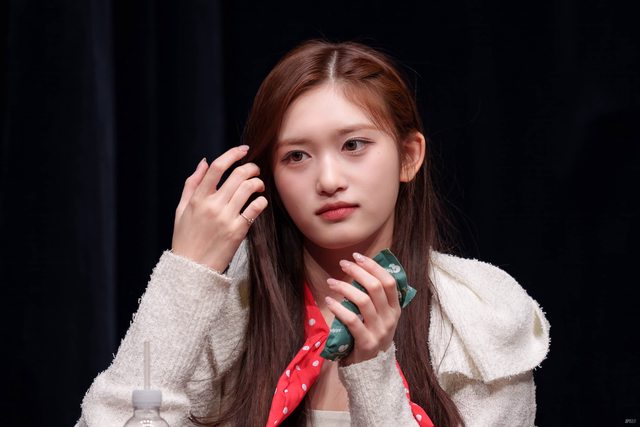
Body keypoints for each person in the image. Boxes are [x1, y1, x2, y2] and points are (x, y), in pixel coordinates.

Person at [77, 40, 550, 426]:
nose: (328, 179)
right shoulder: (233, 310)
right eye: (296, 156)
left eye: (354, 145)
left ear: (409, 157)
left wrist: (372, 367)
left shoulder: (477, 314)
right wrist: (187, 273)